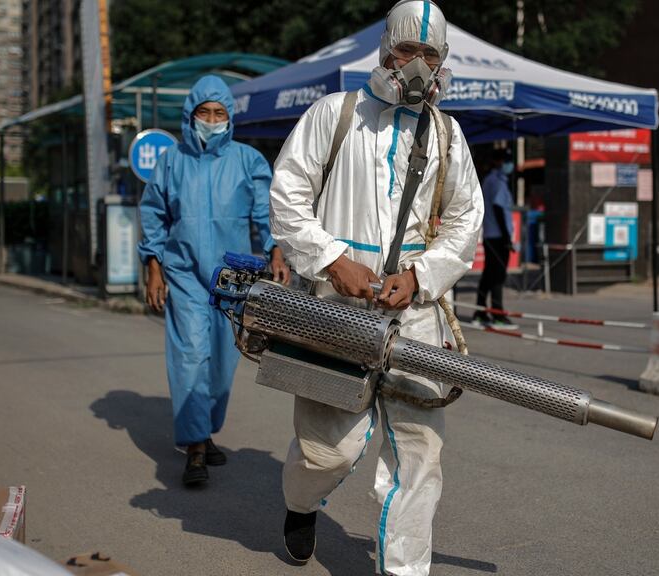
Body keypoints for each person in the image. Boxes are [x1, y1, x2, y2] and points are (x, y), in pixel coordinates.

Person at [269, 2, 483, 573]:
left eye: (430, 54)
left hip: (415, 314)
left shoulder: (447, 134)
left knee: (418, 456)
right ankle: (301, 503)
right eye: (408, 52)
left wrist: (421, 276)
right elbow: (287, 197)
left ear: (443, 63)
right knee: (326, 451)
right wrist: (333, 260)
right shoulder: (334, 115)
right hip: (336, 308)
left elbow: (466, 219)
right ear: (387, 51)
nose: (418, 65)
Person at [138, 75, 290, 487]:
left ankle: (203, 429)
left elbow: (266, 213)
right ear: (190, 116)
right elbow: (154, 213)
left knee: (224, 362)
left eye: (218, 113)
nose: (210, 119)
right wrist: (153, 265)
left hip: (234, 280)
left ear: (229, 117)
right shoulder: (171, 161)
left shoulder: (247, 160)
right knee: (190, 357)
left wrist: (276, 248)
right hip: (184, 273)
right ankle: (195, 448)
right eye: (203, 112)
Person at [473, 148, 515, 328]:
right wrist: (507, 238)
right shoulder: (497, 182)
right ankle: (497, 314)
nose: (509, 164)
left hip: (493, 235)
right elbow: (498, 209)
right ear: (498, 162)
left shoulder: (493, 180)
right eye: (506, 160)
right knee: (497, 276)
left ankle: (480, 312)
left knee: (489, 275)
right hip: (497, 236)